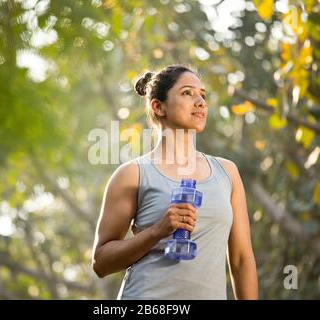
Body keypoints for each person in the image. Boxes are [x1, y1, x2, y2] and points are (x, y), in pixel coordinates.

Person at [91, 64, 258, 299]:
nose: (200, 101)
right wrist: (157, 231)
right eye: (187, 93)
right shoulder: (133, 174)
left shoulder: (227, 172)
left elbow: (241, 259)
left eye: (202, 94)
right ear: (158, 107)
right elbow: (101, 263)